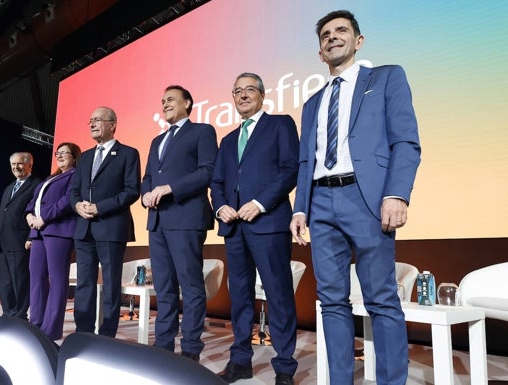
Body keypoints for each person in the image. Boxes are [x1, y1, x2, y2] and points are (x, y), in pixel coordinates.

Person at [289, 10, 421, 385]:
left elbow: (405, 142)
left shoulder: (386, 77)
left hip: (367, 199)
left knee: (381, 298)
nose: (332, 37)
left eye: (341, 31)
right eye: (326, 35)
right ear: (320, 52)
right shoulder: (312, 103)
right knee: (331, 302)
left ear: (358, 41)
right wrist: (300, 208)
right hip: (321, 204)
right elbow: (306, 161)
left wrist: (397, 194)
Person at [211, 73, 299, 385]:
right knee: (240, 297)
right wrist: (220, 206)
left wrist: (260, 203)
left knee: (278, 295)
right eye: (237, 91)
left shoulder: (280, 124)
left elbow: (291, 169)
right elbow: (218, 182)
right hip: (233, 228)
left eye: (250, 89)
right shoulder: (228, 140)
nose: (243, 95)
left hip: (269, 224)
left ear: (262, 95)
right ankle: (240, 361)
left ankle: (285, 367)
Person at [141, 85, 218, 361]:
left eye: (171, 99)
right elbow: (148, 177)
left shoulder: (202, 131)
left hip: (186, 217)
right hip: (157, 221)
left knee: (191, 285)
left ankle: (190, 351)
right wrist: (146, 193)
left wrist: (171, 187)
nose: (165, 104)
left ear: (187, 102)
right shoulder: (156, 141)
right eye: (162, 101)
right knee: (163, 287)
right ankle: (163, 346)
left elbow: (207, 171)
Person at [70, 106, 141, 337]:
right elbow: (74, 190)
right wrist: (78, 205)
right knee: (84, 284)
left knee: (111, 284)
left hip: (111, 227)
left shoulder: (128, 153)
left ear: (112, 125)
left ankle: (107, 336)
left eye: (98, 120)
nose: (92, 123)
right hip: (84, 228)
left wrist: (100, 207)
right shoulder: (86, 156)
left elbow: (132, 191)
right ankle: (83, 332)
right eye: (90, 120)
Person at [25, 142, 81, 340]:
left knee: (57, 279)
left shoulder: (76, 175)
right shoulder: (50, 178)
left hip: (58, 230)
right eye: (58, 152)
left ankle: (51, 329)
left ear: (75, 156)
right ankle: (36, 323)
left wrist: (44, 218)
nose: (60, 155)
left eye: (66, 153)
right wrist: (30, 216)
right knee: (36, 276)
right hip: (38, 232)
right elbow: (33, 202)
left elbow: (66, 201)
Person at [0, 152, 41, 319]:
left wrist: (31, 236)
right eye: (13, 164)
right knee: (5, 282)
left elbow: (36, 212)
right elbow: (1, 214)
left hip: (20, 241)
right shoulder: (9, 187)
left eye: (19, 164)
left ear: (29, 165)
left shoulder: (37, 185)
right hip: (2, 241)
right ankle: (8, 313)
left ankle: (19, 315)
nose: (16, 167)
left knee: (19, 281)